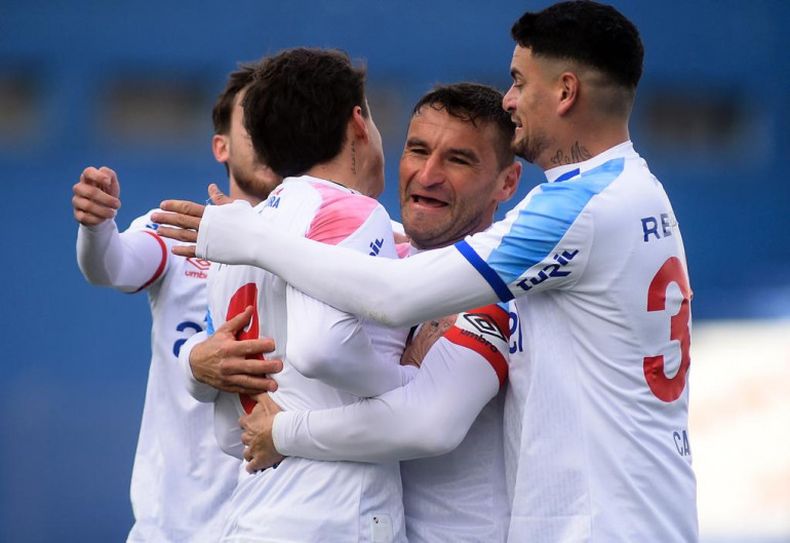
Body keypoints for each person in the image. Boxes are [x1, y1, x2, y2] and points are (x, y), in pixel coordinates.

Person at [155, 2, 698, 542]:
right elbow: (360, 272)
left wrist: (252, 239)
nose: (510, 101)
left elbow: (403, 345)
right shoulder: (633, 193)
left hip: (598, 524)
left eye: (517, 82)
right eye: (417, 149)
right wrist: (197, 367)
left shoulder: (569, 216)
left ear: (564, 92)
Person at [238, 82, 521, 543]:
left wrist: (283, 432)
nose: (427, 174)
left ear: (507, 182)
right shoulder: (385, 262)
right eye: (418, 149)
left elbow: (429, 424)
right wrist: (200, 362)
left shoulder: (498, 290)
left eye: (458, 159)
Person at [164, 48, 416, 543]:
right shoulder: (351, 209)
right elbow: (322, 348)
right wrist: (411, 381)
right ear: (358, 123)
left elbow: (227, 433)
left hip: (254, 514)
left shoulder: (237, 241)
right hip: (337, 515)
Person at [72, 61, 282, 542]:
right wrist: (96, 227)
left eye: (280, 120)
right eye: (255, 121)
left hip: (277, 524)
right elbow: (110, 265)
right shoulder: (179, 229)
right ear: (221, 146)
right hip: (173, 529)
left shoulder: (328, 242)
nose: (269, 133)